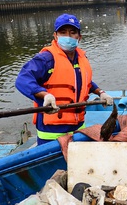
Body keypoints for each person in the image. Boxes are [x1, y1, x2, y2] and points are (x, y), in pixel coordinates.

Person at [15, 13, 113, 145]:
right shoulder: (46, 59)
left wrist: (101, 93)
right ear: (55, 36)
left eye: (73, 32)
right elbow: (22, 79)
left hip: (78, 129)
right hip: (51, 132)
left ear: (79, 37)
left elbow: (85, 83)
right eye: (63, 32)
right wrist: (45, 95)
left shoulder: (81, 58)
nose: (68, 36)